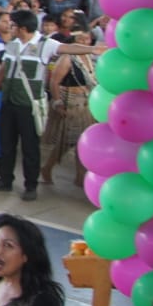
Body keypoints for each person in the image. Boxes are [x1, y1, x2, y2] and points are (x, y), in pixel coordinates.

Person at [0, 10, 59, 201]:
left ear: (23, 28)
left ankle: (30, 185)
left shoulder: (45, 44)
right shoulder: (13, 45)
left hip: (28, 105)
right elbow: (3, 70)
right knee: (7, 143)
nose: (10, 27)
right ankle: (5, 179)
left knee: (30, 147)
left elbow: (68, 48)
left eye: (13, 24)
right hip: (8, 101)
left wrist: (93, 50)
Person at [40, 24, 100, 188]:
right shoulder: (67, 58)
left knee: (75, 141)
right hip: (72, 102)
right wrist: (58, 102)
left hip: (86, 102)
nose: (84, 41)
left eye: (86, 38)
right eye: (80, 38)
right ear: (74, 40)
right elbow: (54, 82)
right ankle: (70, 173)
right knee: (74, 140)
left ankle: (52, 169)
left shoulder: (88, 57)